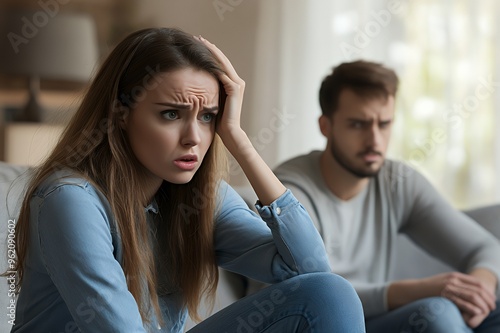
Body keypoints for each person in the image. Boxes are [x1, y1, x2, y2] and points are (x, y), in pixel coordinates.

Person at [8, 28, 366, 333]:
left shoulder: (201, 197)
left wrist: (239, 141)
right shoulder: (70, 200)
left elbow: (310, 273)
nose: (194, 137)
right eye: (170, 114)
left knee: (330, 293)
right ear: (119, 115)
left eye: (208, 116)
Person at [273, 60, 500, 333]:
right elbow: (305, 294)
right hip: (330, 324)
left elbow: (485, 249)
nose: (375, 141)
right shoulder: (288, 192)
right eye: (358, 125)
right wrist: (412, 291)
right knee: (436, 313)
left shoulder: (397, 182)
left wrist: (478, 289)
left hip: (385, 319)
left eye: (384, 124)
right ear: (326, 126)